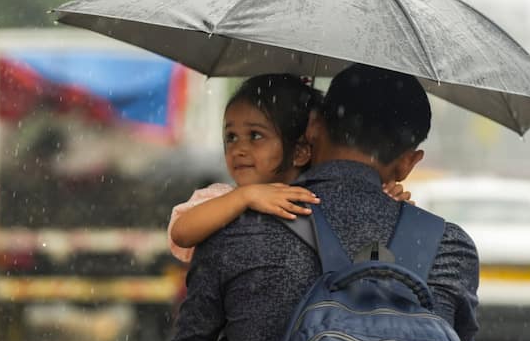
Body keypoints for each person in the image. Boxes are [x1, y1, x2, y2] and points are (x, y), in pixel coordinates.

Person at [169, 64, 480, 341]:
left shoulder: (234, 226)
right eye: (232, 137)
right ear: (409, 162)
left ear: (314, 127)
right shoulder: (448, 247)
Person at [167, 74, 411, 263]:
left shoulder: (317, 196)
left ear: (300, 151)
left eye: (255, 135)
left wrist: (387, 200)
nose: (239, 149)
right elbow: (181, 232)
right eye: (231, 137)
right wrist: (245, 197)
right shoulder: (221, 197)